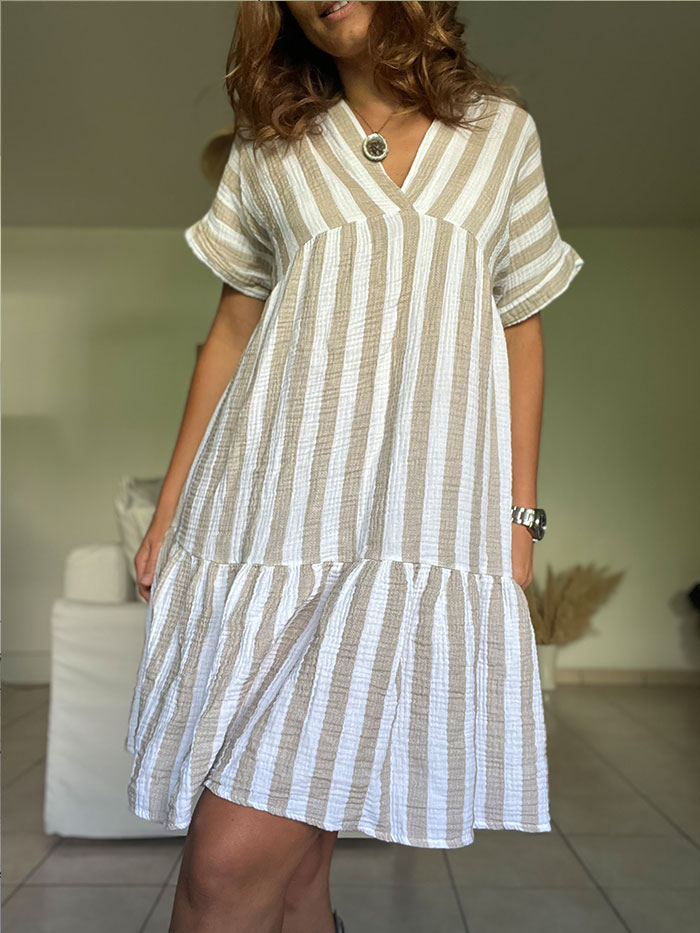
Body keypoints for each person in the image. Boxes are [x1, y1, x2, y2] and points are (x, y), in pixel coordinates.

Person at [124, 2, 584, 931]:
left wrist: (520, 516)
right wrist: (169, 510)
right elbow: (232, 329)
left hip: (411, 538)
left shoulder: (502, 136)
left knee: (231, 866)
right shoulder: (273, 146)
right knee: (288, 870)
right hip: (267, 523)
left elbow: (521, 327)